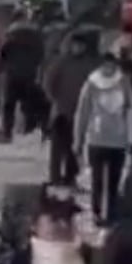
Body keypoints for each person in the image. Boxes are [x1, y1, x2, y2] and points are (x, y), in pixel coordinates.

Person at [74, 53, 132, 226]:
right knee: (97, 179)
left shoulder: (123, 82)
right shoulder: (92, 83)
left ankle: (111, 212)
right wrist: (78, 138)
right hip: (97, 138)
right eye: (106, 65)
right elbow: (82, 112)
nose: (109, 68)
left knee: (113, 181)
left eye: (111, 65)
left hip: (117, 139)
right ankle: (97, 212)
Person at [42, 31, 100, 186]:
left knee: (75, 146)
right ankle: (55, 176)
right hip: (61, 111)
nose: (78, 48)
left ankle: (70, 176)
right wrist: (54, 100)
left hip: (80, 111)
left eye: (81, 46)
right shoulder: (61, 63)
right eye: (75, 45)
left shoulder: (89, 65)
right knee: (57, 146)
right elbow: (48, 82)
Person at [1, 12, 46, 140]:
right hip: (30, 73)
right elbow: (41, 53)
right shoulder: (36, 34)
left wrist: (7, 64)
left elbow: (3, 52)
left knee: (9, 104)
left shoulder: (10, 34)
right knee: (28, 103)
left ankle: (7, 131)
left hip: (12, 73)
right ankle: (29, 129)